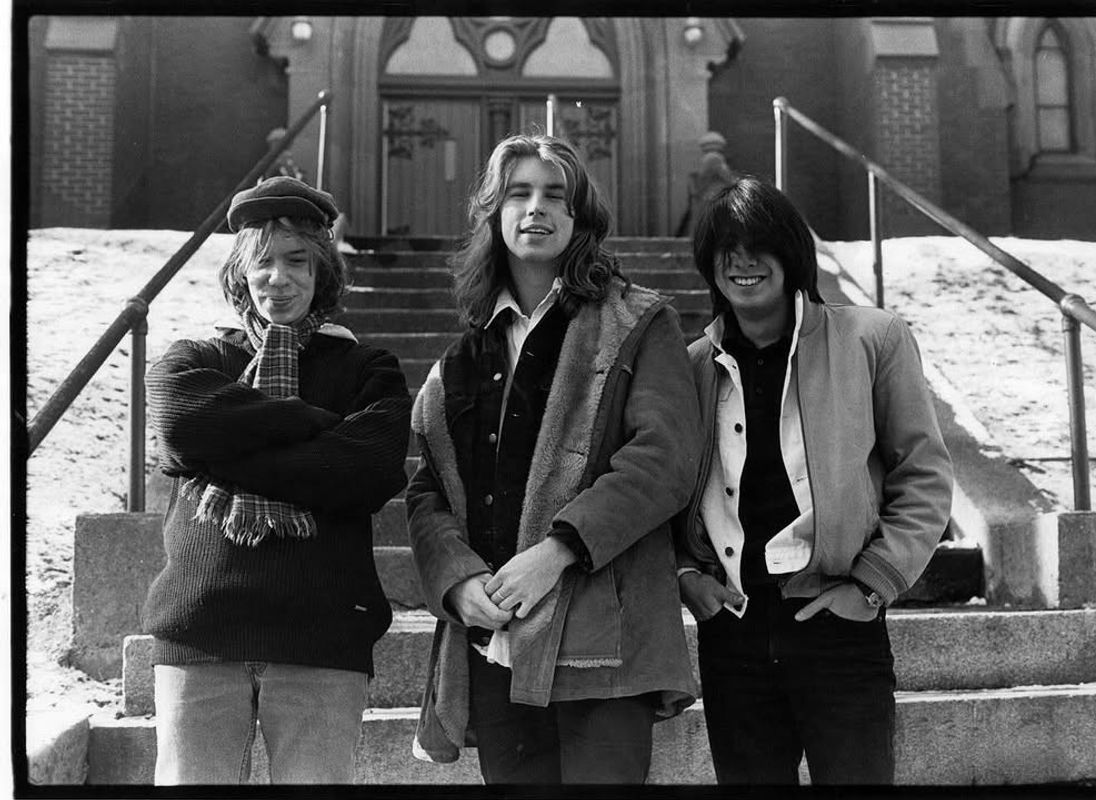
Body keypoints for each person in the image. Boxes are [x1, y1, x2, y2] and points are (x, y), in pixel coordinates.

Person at [406, 133, 700, 784]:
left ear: (580, 218)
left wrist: (559, 549)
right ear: (493, 212)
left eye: (554, 195)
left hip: (604, 637)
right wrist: (457, 580)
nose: (535, 208)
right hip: (494, 639)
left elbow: (665, 457)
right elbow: (427, 489)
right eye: (518, 193)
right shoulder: (463, 357)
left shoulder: (640, 322)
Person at [675, 177, 953, 785]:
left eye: (759, 245)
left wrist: (871, 586)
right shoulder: (693, 366)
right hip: (734, 630)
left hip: (838, 626)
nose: (742, 262)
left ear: (793, 253)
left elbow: (924, 473)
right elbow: (665, 486)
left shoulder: (872, 338)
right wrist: (686, 575)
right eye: (726, 249)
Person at [142, 176, 412, 784]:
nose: (279, 278)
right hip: (202, 633)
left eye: (297, 261)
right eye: (262, 262)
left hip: (323, 637)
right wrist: (314, 427)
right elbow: (181, 428)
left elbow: (368, 470)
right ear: (241, 274)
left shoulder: (368, 369)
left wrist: (226, 451)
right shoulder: (197, 360)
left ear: (322, 274)